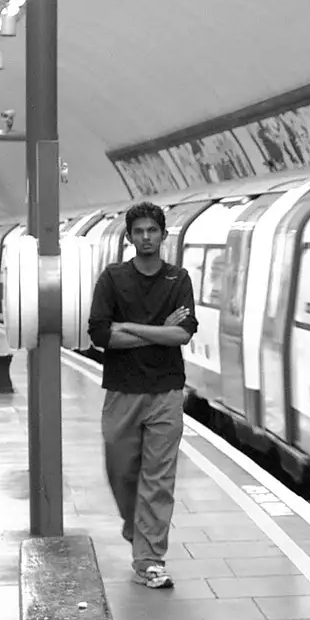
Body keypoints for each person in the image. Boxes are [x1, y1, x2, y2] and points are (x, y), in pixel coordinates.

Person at [87, 201, 198, 589]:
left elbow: (182, 334)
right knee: (121, 470)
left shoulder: (178, 279)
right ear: (130, 237)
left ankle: (149, 559)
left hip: (166, 391)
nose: (146, 237)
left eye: (153, 231)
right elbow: (101, 336)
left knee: (159, 478)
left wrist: (131, 327)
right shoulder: (113, 279)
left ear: (163, 236)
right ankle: (135, 525)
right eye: (139, 231)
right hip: (122, 391)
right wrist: (156, 332)